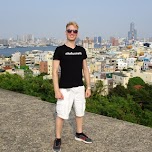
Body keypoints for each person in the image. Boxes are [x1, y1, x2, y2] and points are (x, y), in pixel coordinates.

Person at [52, 21, 92, 152]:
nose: (72, 33)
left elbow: (85, 69)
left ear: (77, 33)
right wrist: (56, 90)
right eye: (69, 30)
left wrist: (88, 87)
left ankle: (79, 134)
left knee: (80, 112)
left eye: (74, 31)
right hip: (65, 89)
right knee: (61, 114)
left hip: (79, 87)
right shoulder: (60, 50)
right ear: (66, 32)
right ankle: (58, 139)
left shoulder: (81, 50)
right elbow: (54, 71)